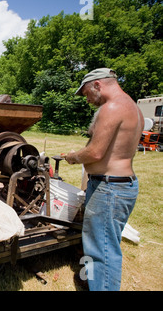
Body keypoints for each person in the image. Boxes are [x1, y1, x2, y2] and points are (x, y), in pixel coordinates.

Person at [64, 68, 144, 291]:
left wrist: (72, 157)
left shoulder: (112, 107)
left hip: (109, 189)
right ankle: (93, 281)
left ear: (98, 85)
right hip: (122, 185)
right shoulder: (133, 108)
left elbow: (96, 152)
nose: (87, 99)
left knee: (102, 250)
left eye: (87, 93)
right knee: (106, 243)